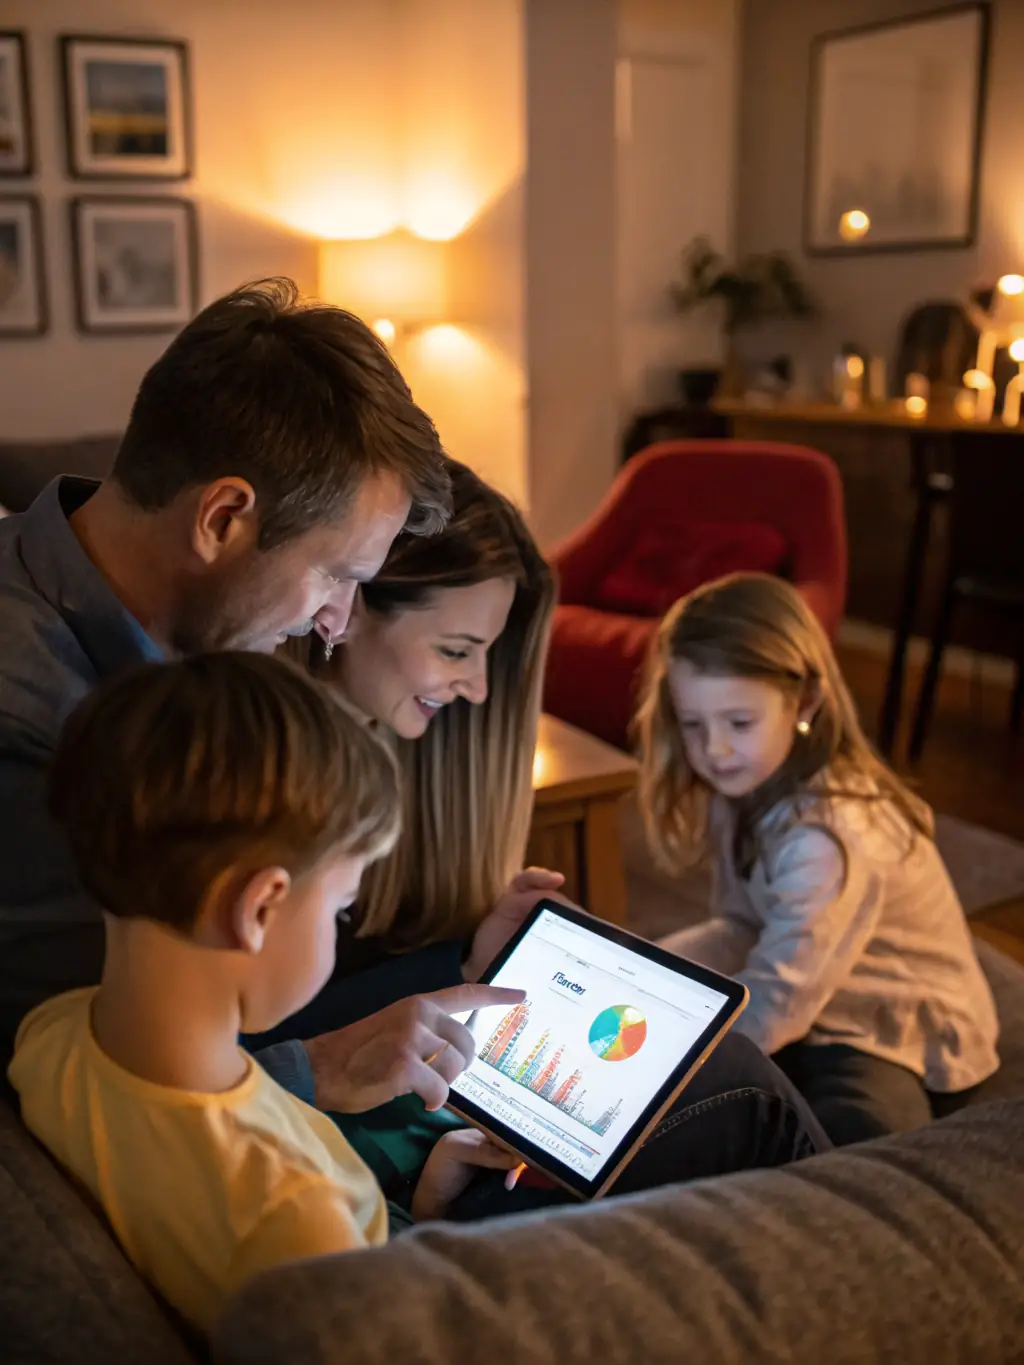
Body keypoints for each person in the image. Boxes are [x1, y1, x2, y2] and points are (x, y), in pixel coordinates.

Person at [0, 277, 522, 1113]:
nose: (333, 623)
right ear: (221, 518)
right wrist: (317, 1070)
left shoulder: (93, 609)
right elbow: (96, 1084)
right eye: (337, 575)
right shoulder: (34, 731)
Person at [261, 465, 832, 1204]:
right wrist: (423, 1196)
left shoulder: (372, 752)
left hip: (412, 1130)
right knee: (747, 1091)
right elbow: (271, 1036)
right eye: (458, 649)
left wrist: (462, 956)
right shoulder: (268, 782)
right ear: (351, 601)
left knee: (714, 1074)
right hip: (388, 1158)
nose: (478, 689)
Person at [8, 653, 527, 1334]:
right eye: (341, 906)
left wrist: (421, 1207)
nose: (340, 926)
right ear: (259, 909)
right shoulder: (292, 1213)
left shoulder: (52, 1033)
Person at [634, 572, 1000, 1146]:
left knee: (855, 1133)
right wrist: (648, 970)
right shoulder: (744, 783)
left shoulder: (827, 838)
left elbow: (780, 1002)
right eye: (693, 725)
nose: (715, 750)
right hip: (811, 992)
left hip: (886, 1023)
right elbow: (740, 926)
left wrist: (671, 1074)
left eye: (739, 722)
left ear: (804, 701)